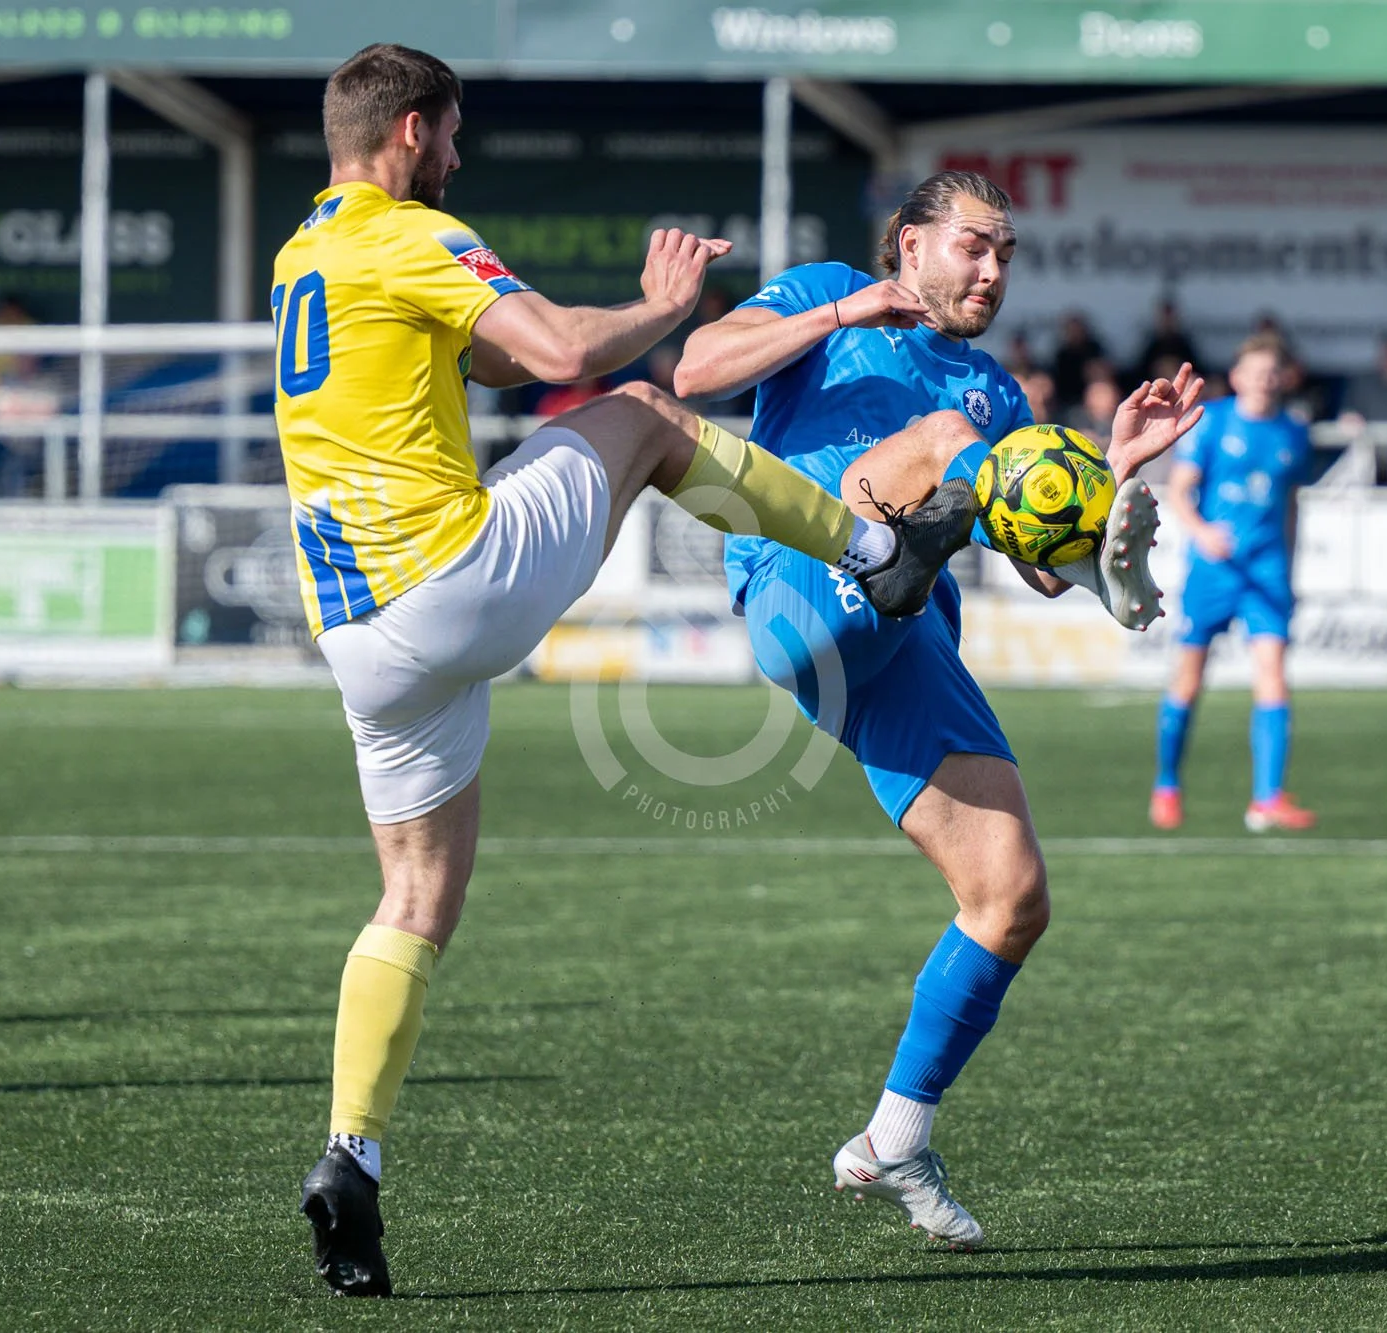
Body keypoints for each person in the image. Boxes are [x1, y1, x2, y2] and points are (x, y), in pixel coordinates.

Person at [284, 45, 982, 1298]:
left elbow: (493, 360)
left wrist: (564, 336)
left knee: (413, 901)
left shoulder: (306, 255)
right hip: (448, 583)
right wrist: (658, 310)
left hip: (358, 643)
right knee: (653, 419)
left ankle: (352, 1155)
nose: (457, 157)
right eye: (448, 136)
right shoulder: (409, 236)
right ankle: (875, 543)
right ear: (405, 134)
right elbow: (556, 349)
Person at [676, 170, 1202, 1248]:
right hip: (797, 583)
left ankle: (892, 1139)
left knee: (1010, 898)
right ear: (909, 245)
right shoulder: (828, 294)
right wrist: (838, 312)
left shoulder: (997, 395)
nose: (993, 270)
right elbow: (692, 368)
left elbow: (1043, 573)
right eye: (974, 245)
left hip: (903, 640)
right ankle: (903, 553)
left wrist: (1109, 468)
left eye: (1006, 254)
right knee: (929, 439)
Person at [1152, 335, 1316, 833]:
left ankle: (1266, 799)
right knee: (1189, 678)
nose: (1265, 379)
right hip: (1213, 572)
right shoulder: (1214, 423)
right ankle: (1167, 784)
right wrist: (1203, 533)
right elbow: (1180, 492)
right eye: (1256, 370)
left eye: (1273, 371)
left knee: (1273, 676)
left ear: (1283, 378)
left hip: (1265, 572)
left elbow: (1290, 506)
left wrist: (1290, 566)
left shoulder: (1292, 432)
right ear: (1238, 375)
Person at [1341, 335, 1387, 423]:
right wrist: (1351, 418)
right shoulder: (1363, 387)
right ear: (1380, 358)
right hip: (1368, 435)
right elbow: (1347, 413)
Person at [1049, 311, 1105, 411]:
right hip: (1067, 400)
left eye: (1077, 329)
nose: (1075, 333)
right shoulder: (1062, 354)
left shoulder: (1094, 348)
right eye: (1071, 330)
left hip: (1092, 394)